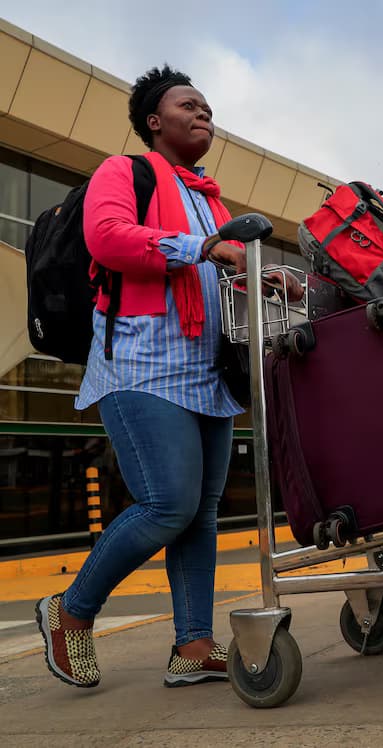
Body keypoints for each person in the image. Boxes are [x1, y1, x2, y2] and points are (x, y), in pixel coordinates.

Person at [36, 66, 250, 689]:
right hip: (141, 365)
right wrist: (204, 249)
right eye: (190, 104)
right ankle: (70, 612)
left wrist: (262, 276)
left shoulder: (211, 200)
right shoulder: (122, 172)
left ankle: (194, 645)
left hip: (204, 373)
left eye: (208, 105)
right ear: (155, 121)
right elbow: (107, 238)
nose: (204, 112)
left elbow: (219, 276)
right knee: (167, 505)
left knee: (201, 515)